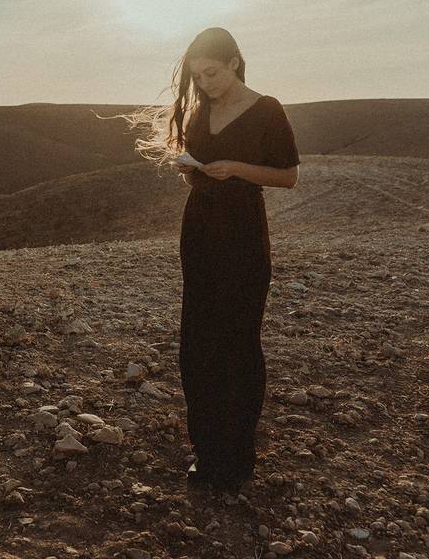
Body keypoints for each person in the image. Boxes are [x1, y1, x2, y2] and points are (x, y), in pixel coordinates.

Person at [128, 27, 300, 496]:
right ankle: (208, 452)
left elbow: (288, 176)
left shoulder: (267, 109)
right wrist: (193, 171)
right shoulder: (201, 112)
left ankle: (238, 457)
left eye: (212, 72)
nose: (205, 83)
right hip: (200, 232)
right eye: (197, 76)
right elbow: (197, 177)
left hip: (244, 234)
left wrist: (236, 168)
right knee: (197, 343)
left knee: (238, 343)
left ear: (235, 62)